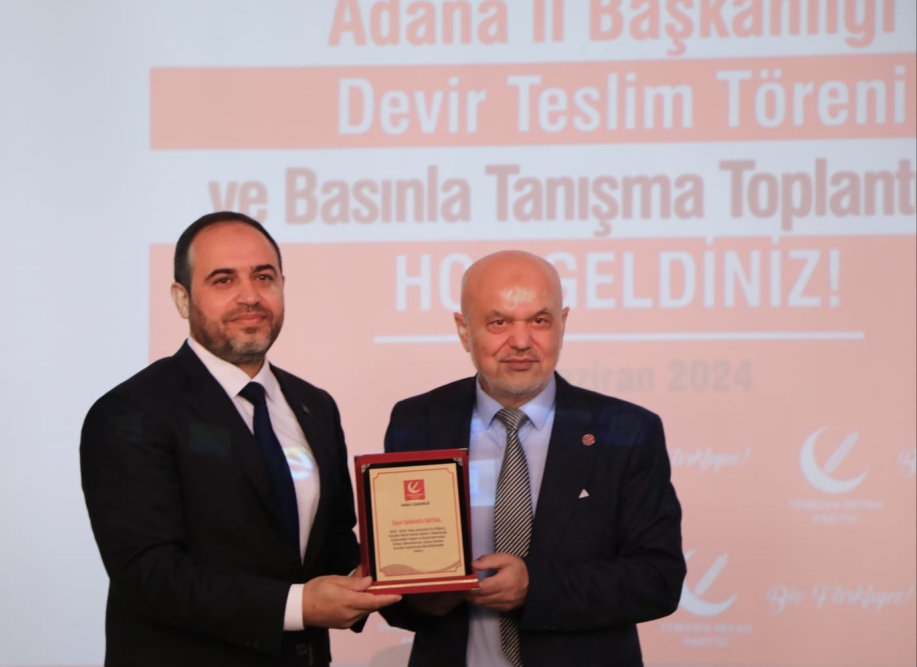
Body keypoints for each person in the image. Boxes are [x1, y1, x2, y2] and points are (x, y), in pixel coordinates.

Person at [79, 211, 400, 667]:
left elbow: (331, 543)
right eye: (223, 280)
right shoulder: (130, 412)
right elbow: (148, 574)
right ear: (182, 299)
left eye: (264, 277)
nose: (250, 296)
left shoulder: (314, 405)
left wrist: (390, 572)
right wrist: (298, 606)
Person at [379, 250, 685, 667]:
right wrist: (420, 594)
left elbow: (659, 579)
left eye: (539, 321)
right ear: (464, 331)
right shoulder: (418, 421)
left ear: (563, 324)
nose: (521, 342)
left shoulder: (627, 431)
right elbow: (399, 586)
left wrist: (535, 587)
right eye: (499, 322)